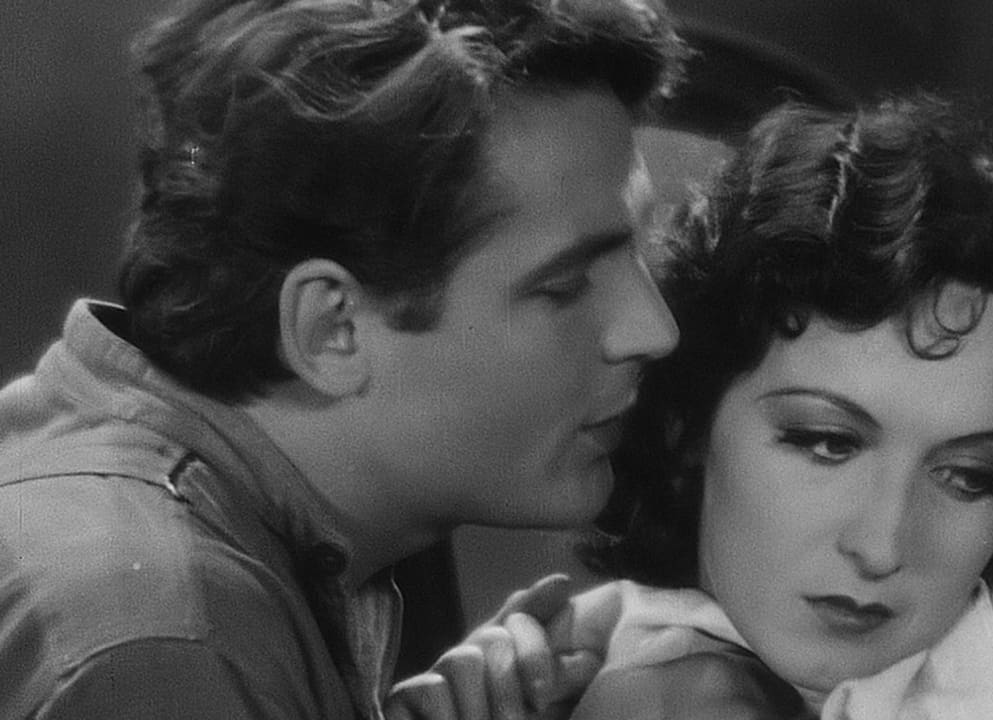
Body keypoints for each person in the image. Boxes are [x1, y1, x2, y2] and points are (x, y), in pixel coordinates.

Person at [0, 0, 687, 718]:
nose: (655, 330)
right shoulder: (164, 647)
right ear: (334, 328)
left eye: (642, 248)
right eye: (565, 285)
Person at [541, 94, 993, 719]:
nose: (881, 548)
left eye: (969, 477)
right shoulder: (561, 672)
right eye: (828, 442)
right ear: (687, 423)